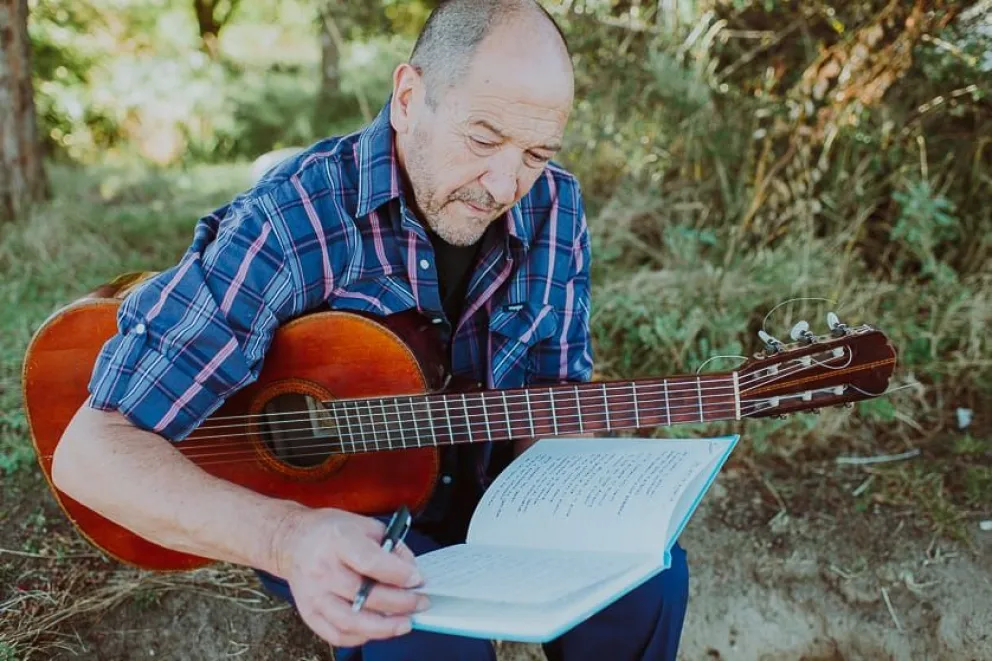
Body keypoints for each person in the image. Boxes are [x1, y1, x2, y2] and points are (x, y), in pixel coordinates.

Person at [50, 1, 689, 659]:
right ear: (409, 96)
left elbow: (554, 398)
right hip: (340, 506)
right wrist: (287, 538)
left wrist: (573, 509)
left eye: (536, 153)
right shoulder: (289, 222)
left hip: (491, 485)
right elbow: (91, 451)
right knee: (426, 632)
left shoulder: (555, 206)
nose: (505, 184)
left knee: (651, 579)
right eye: (483, 138)